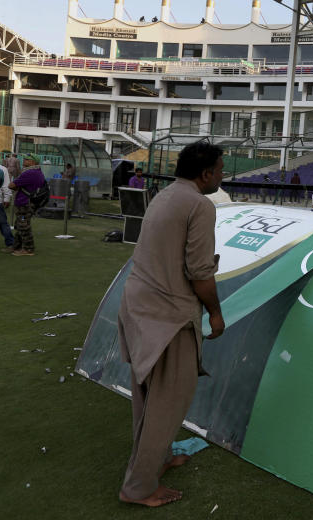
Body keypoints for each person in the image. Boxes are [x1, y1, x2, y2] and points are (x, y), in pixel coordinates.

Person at [117, 141, 226, 508]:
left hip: (139, 307)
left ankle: (157, 462)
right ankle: (139, 488)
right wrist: (215, 312)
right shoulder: (199, 204)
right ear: (206, 173)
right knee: (167, 405)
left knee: (148, 399)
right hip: (168, 317)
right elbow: (199, 273)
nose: (222, 176)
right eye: (221, 169)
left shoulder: (165, 195)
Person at [9, 155, 47, 256]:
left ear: (33, 162)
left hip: (25, 203)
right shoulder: (38, 172)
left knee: (23, 226)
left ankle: (28, 249)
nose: (24, 160)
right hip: (29, 202)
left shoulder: (30, 173)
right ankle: (16, 246)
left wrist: (15, 186)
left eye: (27, 159)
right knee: (20, 226)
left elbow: (11, 185)